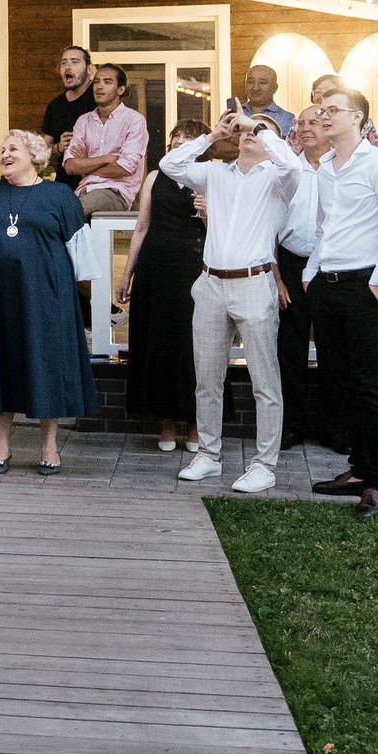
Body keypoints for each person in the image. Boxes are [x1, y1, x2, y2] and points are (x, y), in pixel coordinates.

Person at [162, 105, 306, 494]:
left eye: (256, 131)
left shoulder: (278, 179)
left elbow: (293, 166)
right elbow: (169, 164)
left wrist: (259, 125)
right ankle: (208, 456)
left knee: (265, 381)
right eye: (242, 131)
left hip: (254, 284)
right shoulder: (214, 173)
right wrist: (211, 137)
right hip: (210, 284)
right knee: (207, 379)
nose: (247, 134)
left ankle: (265, 464)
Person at [0, 129, 97, 474]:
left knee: (45, 364)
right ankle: (1, 446)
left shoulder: (59, 195)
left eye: (13, 149)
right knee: (0, 364)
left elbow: (81, 255)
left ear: (34, 155)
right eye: (2, 149)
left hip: (46, 296)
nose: (5, 154)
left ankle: (49, 446)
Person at [302, 90, 378, 520]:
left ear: (358, 118)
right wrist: (310, 272)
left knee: (368, 385)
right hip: (325, 284)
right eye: (321, 110)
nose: (323, 117)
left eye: (332, 111)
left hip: (364, 286)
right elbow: (324, 226)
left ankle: (377, 485)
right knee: (339, 381)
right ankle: (357, 470)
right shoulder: (324, 167)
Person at [120, 120, 209, 450]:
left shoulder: (207, 178)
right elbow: (141, 228)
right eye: (176, 137)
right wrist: (127, 274)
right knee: (159, 345)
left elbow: (219, 233)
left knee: (193, 347)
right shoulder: (155, 178)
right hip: (155, 270)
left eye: (187, 138)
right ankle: (166, 424)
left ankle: (196, 425)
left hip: (194, 270)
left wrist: (206, 213)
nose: (178, 142)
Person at [273, 104, 327, 452]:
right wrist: (278, 279)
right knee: (289, 350)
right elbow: (270, 229)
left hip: (329, 267)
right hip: (290, 265)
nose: (305, 128)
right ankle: (291, 426)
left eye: (313, 122)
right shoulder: (287, 170)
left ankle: (333, 428)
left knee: (332, 351)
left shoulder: (342, 168)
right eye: (300, 123)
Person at [64, 63, 148, 219]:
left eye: (107, 82)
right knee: (55, 211)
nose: (99, 86)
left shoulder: (134, 120)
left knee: (70, 212)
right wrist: (105, 159)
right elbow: (70, 166)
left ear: (120, 90)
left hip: (115, 191)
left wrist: (85, 164)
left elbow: (124, 168)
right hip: (83, 190)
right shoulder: (83, 121)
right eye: (96, 81)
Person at [41, 46, 98, 191]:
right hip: (65, 183)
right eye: (63, 63)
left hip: (96, 182)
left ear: (90, 69)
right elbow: (42, 152)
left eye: (74, 62)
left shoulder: (99, 99)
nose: (68, 67)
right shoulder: (55, 106)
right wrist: (59, 148)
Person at [237, 64, 296, 137]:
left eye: (262, 83)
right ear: (245, 85)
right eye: (251, 82)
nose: (255, 88)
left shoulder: (286, 118)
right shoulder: (233, 114)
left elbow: (280, 146)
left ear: (275, 88)